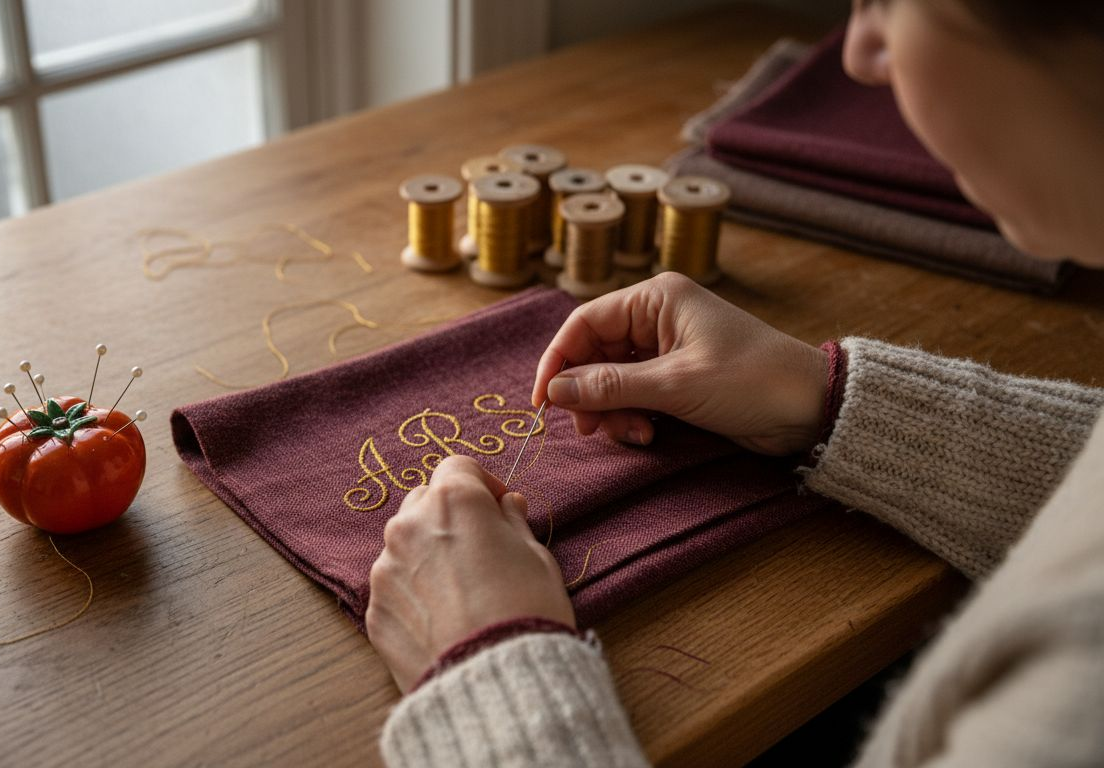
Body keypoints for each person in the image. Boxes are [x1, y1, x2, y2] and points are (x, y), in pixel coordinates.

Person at [366, 0, 1104, 765]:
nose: (858, 54)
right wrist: (824, 398)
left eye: (888, 0)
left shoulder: (1073, 700)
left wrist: (490, 673)